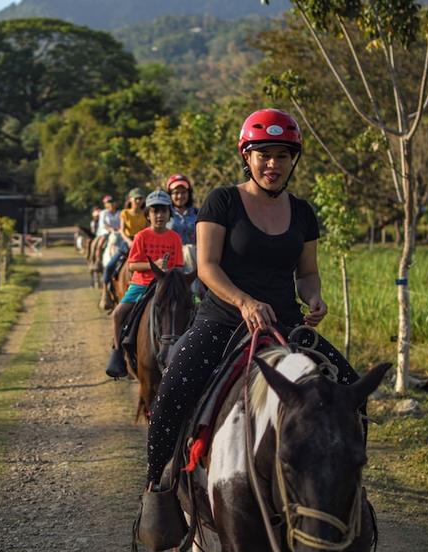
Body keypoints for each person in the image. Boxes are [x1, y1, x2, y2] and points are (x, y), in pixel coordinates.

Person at [144, 108, 359, 487]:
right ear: (247, 156)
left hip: (286, 325)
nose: (273, 164)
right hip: (222, 321)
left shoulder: (304, 213)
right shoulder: (222, 202)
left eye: (282, 155)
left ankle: (348, 494)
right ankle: (156, 490)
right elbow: (208, 267)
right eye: (264, 155)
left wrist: (314, 298)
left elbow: (306, 273)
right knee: (171, 394)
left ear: (293, 160)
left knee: (351, 391)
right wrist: (244, 301)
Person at [105, 190, 184, 378]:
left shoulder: (175, 238)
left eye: (163, 211)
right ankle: (118, 354)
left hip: (166, 286)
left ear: (169, 214)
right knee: (117, 314)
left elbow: (179, 267)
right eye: (155, 211)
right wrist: (153, 265)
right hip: (141, 284)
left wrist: (169, 273)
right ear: (147, 215)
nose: (159, 215)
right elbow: (132, 265)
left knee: (193, 308)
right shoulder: (141, 236)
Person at [102, 188, 147, 289]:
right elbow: (122, 230)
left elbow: (147, 230)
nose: (139, 201)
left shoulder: (146, 213)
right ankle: (106, 290)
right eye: (136, 198)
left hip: (142, 243)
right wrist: (129, 241)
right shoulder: (125, 213)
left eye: (141, 198)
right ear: (130, 199)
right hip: (127, 242)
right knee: (110, 266)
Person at [166, 174, 197, 246]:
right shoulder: (165, 213)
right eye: (176, 193)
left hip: (193, 255)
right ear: (169, 194)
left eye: (183, 192)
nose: (180, 196)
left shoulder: (197, 213)